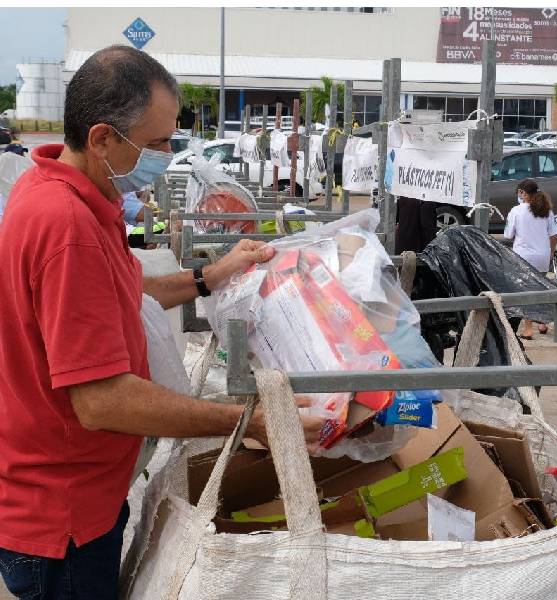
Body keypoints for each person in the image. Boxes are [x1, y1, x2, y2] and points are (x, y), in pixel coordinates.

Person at [0, 45, 323, 599]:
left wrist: (213, 275)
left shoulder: (62, 191)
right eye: (155, 144)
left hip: (74, 495)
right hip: (63, 519)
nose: (168, 155)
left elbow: (122, 293)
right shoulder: (66, 225)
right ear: (102, 138)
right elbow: (101, 400)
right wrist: (245, 420)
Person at [503, 178, 557, 340]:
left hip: (523, 256)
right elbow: (554, 235)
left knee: (526, 291)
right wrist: (550, 253)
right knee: (540, 288)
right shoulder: (546, 210)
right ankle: (543, 323)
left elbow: (508, 235)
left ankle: (528, 329)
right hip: (542, 255)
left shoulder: (517, 211)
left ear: (523, 193)